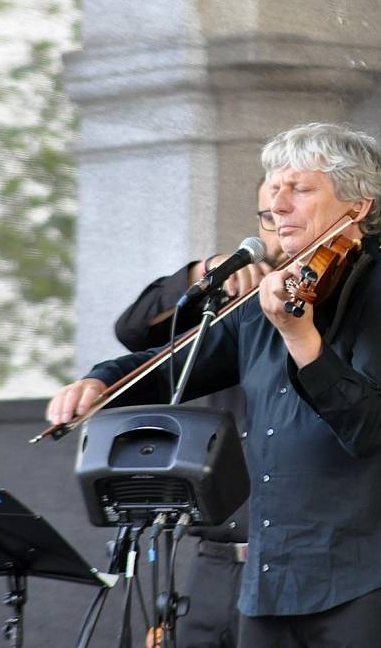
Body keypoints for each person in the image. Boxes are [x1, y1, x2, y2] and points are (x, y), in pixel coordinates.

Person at [48, 123, 381, 648]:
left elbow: (368, 428)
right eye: (273, 189)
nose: (276, 204)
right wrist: (101, 382)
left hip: (366, 575)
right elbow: (170, 361)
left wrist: (301, 336)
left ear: (358, 208)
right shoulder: (266, 300)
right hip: (271, 575)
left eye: (299, 189)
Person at [113, 180, 283, 648]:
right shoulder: (230, 303)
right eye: (267, 216)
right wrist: (204, 273)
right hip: (214, 556)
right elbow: (132, 330)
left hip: (289, 563)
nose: (279, 226)